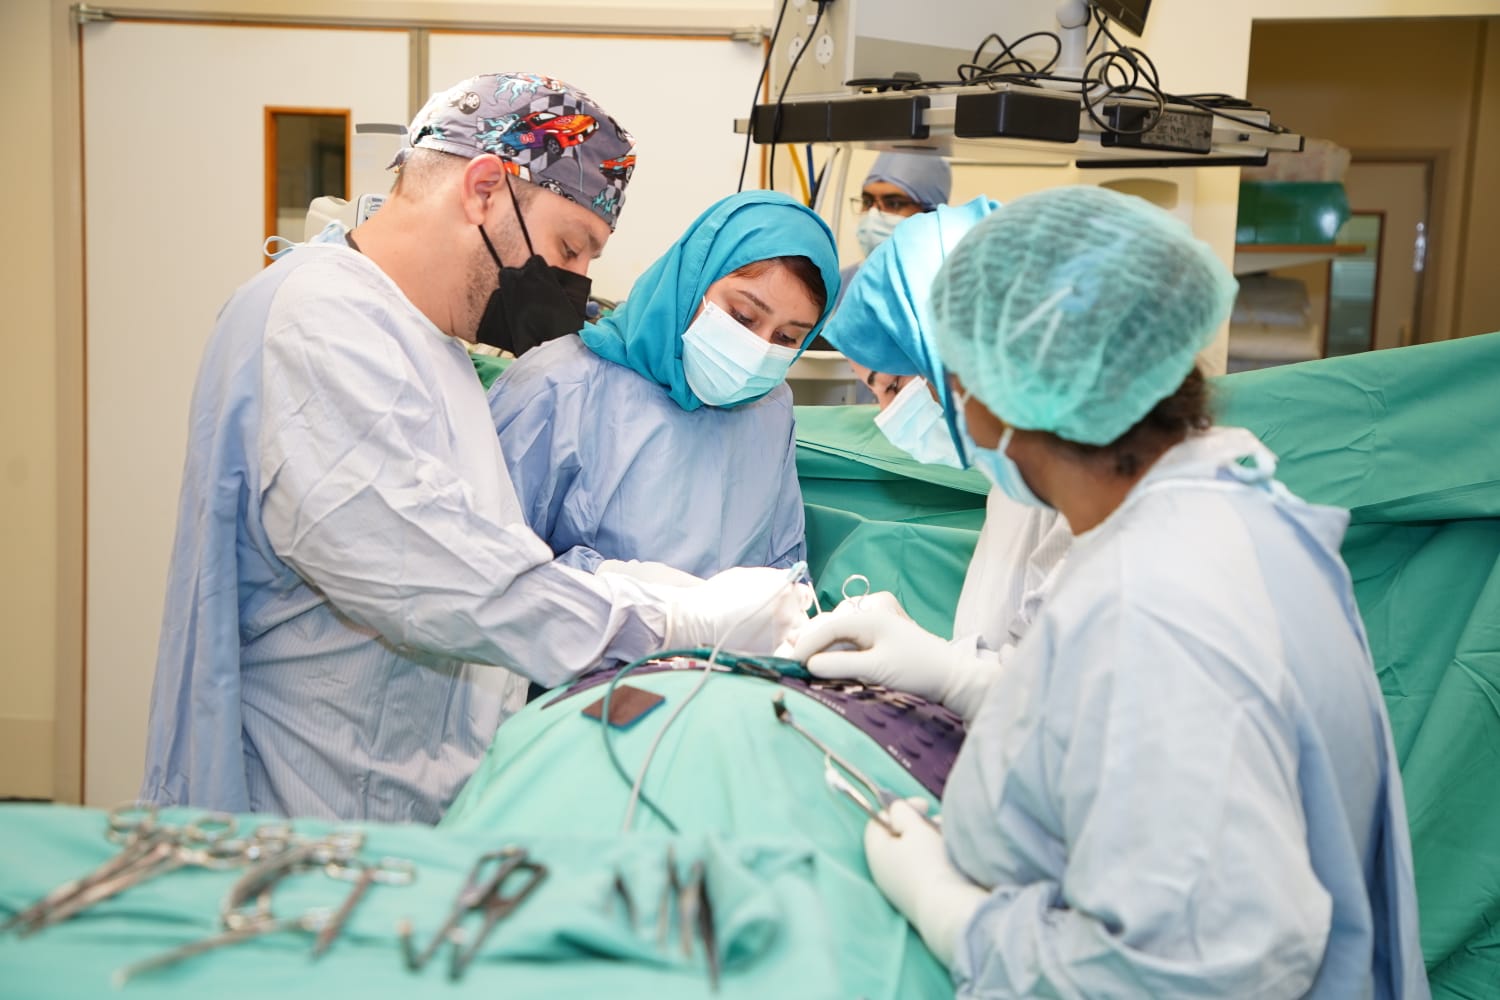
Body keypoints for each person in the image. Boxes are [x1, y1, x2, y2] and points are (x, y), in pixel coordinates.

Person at [793, 186, 1429, 997]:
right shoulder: (1234, 513)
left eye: (929, 377)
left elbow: (1188, 972)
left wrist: (955, 914)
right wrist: (971, 684)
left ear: (985, 388)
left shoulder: (1154, 605)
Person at [140, 72, 810, 824]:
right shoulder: (318, 322)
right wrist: (672, 620)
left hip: (408, 801)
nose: (577, 282)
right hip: (317, 816)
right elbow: (440, 579)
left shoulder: (431, 342)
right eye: (570, 246)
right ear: (485, 188)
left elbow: (478, 551)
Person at [484, 191, 839, 582]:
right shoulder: (560, 386)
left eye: (787, 338)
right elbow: (482, 567)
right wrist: (619, 591)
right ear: (691, 283)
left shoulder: (770, 408)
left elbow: (784, 564)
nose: (759, 351)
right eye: (742, 316)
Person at [818, 194, 1071, 668]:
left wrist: (940, 671)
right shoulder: (1016, 469)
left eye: (893, 386)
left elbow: (1050, 680)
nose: (887, 414)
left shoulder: (1092, 472)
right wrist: (931, 652)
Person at [837, 151, 951, 407]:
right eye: (868, 201)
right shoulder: (841, 284)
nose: (874, 215)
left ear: (930, 213)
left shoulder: (951, 292)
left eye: (894, 203)